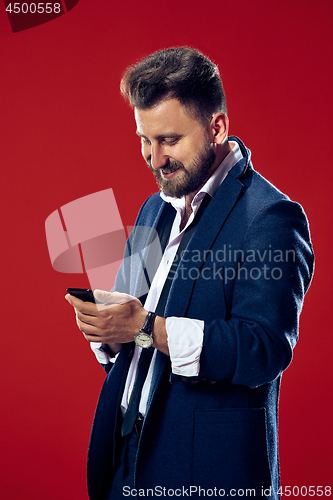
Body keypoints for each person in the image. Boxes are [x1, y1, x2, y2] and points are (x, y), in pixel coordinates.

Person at [66, 47, 314, 499]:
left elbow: (263, 349)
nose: (154, 158)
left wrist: (144, 326)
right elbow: (136, 328)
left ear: (217, 127)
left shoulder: (273, 218)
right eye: (144, 139)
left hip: (207, 477)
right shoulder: (153, 208)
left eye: (169, 140)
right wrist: (112, 330)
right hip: (127, 462)